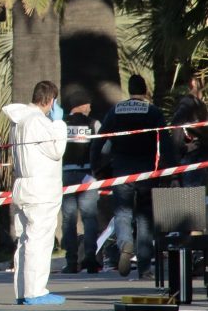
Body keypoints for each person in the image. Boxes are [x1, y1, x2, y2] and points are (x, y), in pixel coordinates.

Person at [90, 74, 174, 280]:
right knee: (145, 217)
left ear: (129, 90)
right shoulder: (152, 111)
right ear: (145, 90)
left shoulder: (116, 111)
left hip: (121, 172)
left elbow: (100, 140)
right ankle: (144, 268)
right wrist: (171, 170)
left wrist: (96, 167)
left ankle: (125, 243)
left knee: (122, 213)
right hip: (146, 172)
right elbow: (165, 140)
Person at [3, 80, 68, 306]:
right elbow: (57, 149)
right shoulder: (38, 121)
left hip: (23, 186)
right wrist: (59, 123)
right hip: (40, 189)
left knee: (25, 241)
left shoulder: (19, 121)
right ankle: (36, 292)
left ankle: (23, 291)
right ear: (50, 100)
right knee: (39, 241)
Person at [59, 91, 101, 274]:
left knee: (68, 220)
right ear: (82, 105)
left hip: (65, 176)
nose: (90, 107)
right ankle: (90, 259)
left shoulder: (60, 125)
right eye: (89, 104)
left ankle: (71, 262)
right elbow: (103, 148)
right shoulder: (93, 124)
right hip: (87, 176)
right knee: (89, 218)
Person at [171, 72, 207, 187]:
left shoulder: (200, 104)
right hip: (190, 157)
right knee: (192, 200)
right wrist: (175, 173)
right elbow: (176, 128)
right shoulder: (187, 103)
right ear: (193, 82)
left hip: (201, 157)